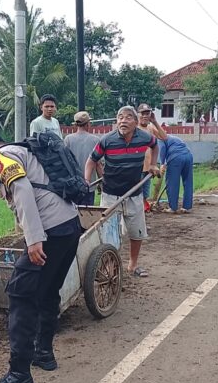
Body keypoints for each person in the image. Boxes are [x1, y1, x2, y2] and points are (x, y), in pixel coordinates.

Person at [0, 126, 81, 383]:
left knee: (19, 294)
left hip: (49, 231)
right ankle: (44, 354)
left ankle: (19, 377)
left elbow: (22, 190)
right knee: (47, 291)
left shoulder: (1, 157)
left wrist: (34, 239)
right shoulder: (23, 150)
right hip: (69, 225)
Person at [85, 106, 160, 277]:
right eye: (120, 117)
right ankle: (110, 266)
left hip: (134, 192)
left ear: (135, 121)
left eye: (128, 117)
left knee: (136, 231)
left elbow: (155, 146)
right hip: (110, 193)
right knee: (109, 233)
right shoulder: (107, 140)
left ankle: (133, 265)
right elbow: (91, 161)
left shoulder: (144, 137)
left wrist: (153, 164)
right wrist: (86, 181)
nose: (123, 121)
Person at [64, 111, 103, 206]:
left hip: (73, 185)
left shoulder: (68, 139)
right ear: (88, 124)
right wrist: (101, 182)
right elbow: (98, 164)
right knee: (87, 211)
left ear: (75, 125)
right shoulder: (95, 140)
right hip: (89, 186)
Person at [137, 103, 167, 209]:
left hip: (148, 168)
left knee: (145, 194)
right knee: (136, 194)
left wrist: (154, 122)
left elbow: (164, 137)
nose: (145, 116)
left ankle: (143, 212)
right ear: (138, 114)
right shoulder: (134, 129)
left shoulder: (150, 128)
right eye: (143, 114)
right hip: (137, 168)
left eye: (147, 113)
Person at [159, 135, 194, 213]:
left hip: (176, 158)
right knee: (188, 181)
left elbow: (162, 149)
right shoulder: (173, 137)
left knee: (172, 183)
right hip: (188, 156)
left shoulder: (160, 138)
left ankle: (173, 207)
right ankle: (187, 207)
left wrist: (162, 163)